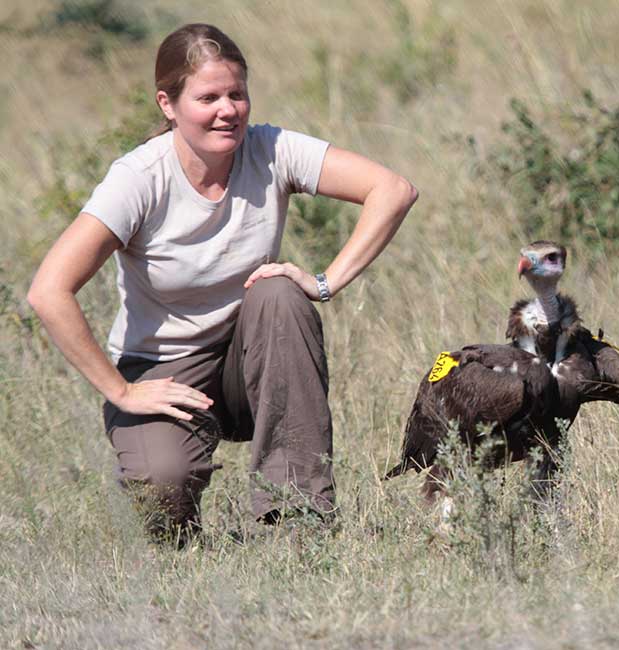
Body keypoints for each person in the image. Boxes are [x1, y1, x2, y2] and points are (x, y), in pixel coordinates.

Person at [27, 23, 418, 545]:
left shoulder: (270, 149)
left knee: (280, 293)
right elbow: (48, 290)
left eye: (237, 94)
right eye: (207, 97)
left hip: (251, 357)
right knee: (162, 490)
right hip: (165, 369)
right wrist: (121, 390)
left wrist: (325, 283)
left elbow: (392, 189)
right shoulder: (139, 178)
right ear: (168, 104)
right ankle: (185, 541)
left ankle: (297, 523)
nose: (227, 110)